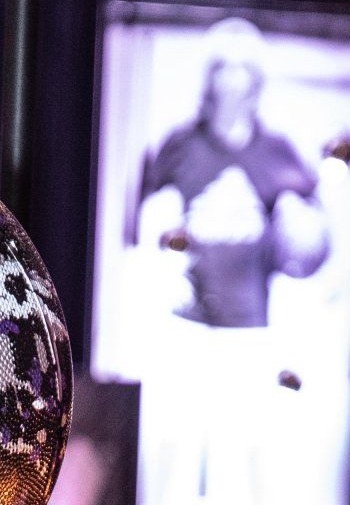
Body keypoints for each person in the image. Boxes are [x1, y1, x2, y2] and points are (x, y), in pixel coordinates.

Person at [132, 21, 331, 328]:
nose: (232, 81)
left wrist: (299, 225)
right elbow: (143, 228)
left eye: (242, 69)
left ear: (256, 79)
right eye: (223, 68)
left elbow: (312, 246)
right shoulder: (180, 146)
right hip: (186, 323)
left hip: (253, 326)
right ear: (208, 77)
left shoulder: (278, 152)